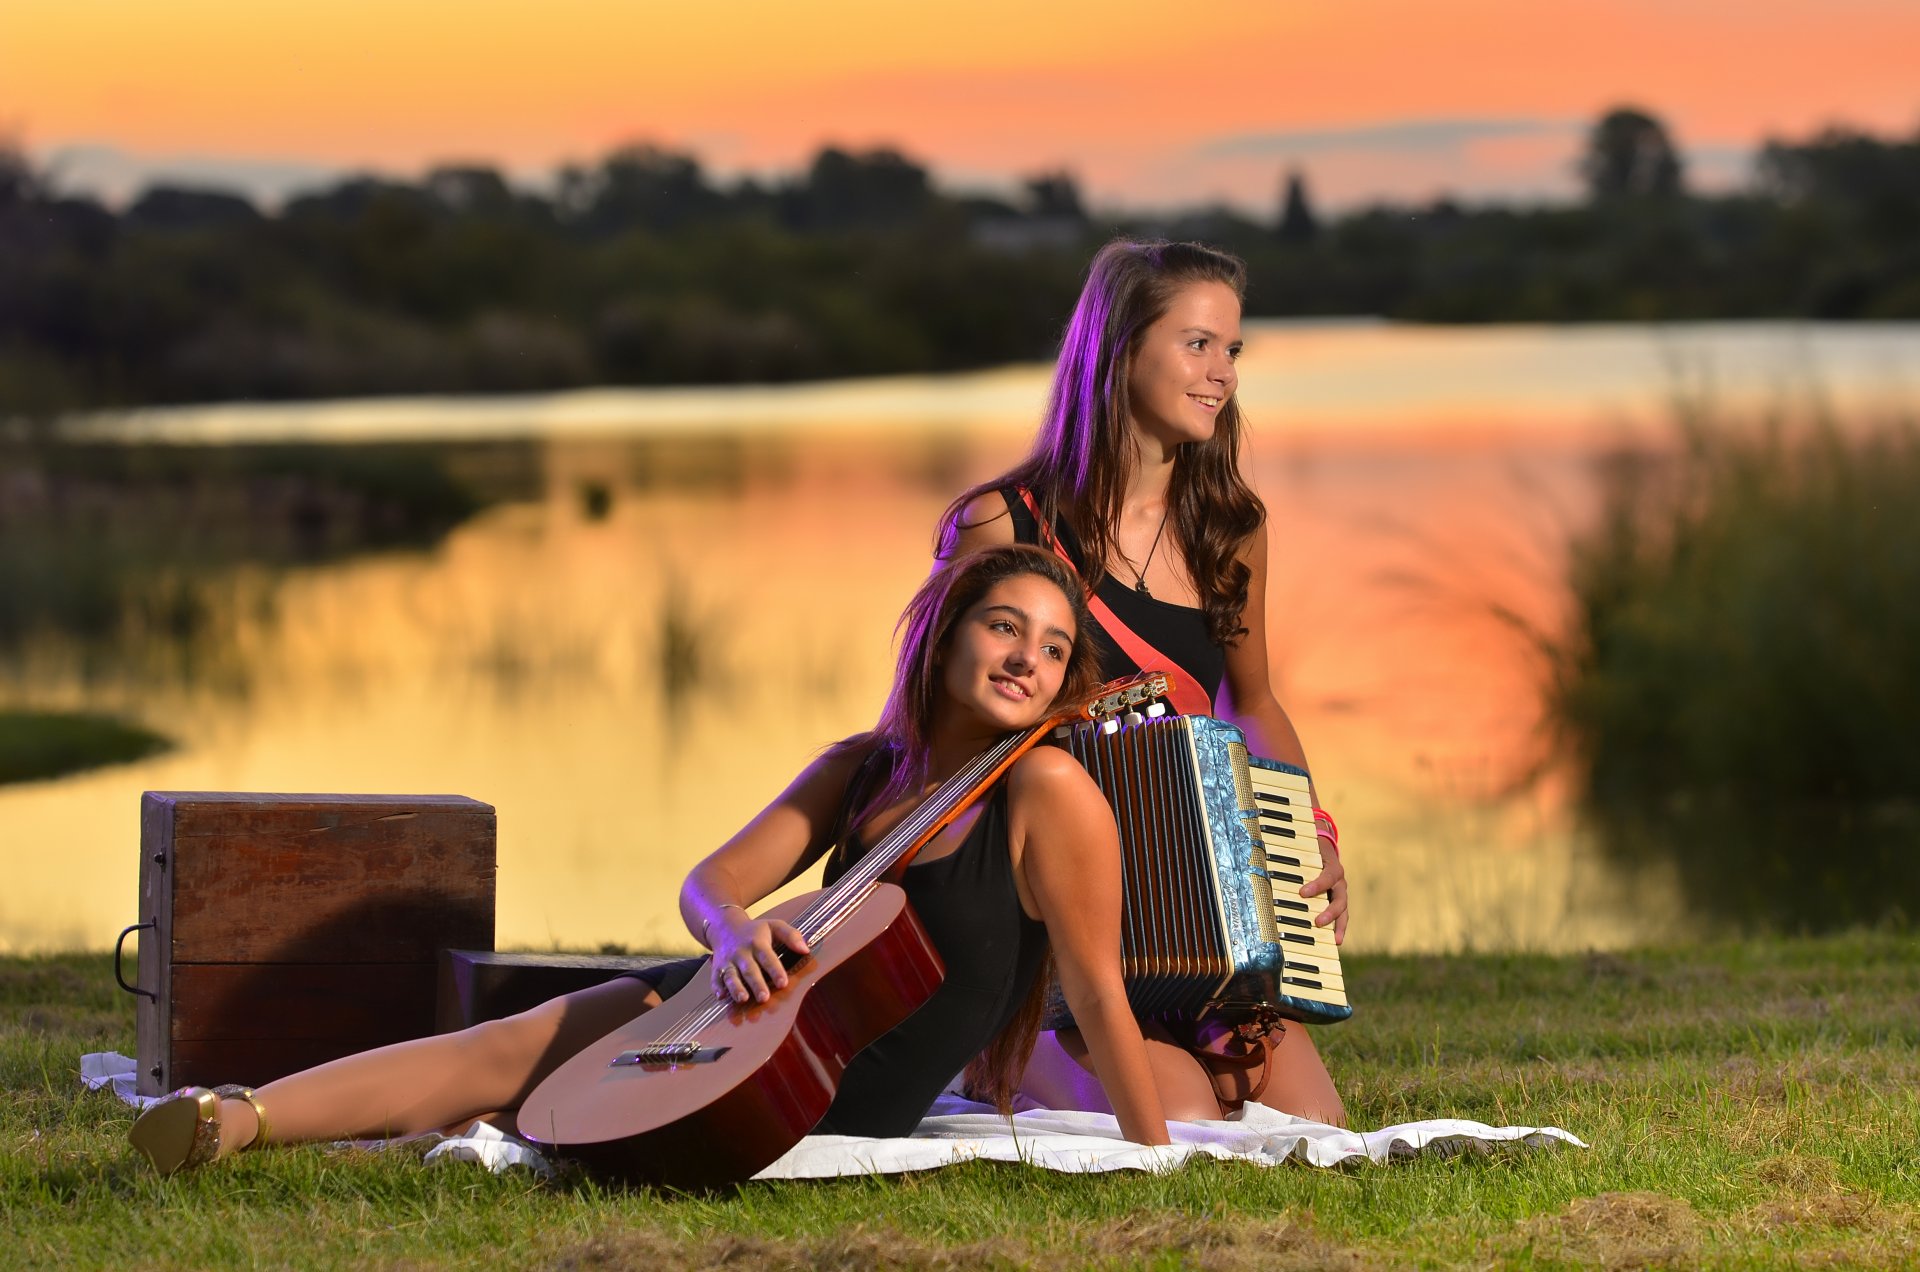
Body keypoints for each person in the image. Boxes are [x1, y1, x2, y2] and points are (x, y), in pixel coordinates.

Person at [128, 544, 1171, 1175]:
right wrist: (733, 936)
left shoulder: (1049, 795)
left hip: (823, 1079)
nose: (1026, 659)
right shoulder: (864, 766)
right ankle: (236, 1119)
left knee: (555, 1098)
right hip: (751, 999)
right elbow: (708, 883)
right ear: (942, 642)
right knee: (516, 1041)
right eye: (1002, 626)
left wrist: (1152, 1162)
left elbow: (1098, 992)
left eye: (1049, 646)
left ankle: (386, 1125)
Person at [938, 239, 1348, 1126]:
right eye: (1198, 344)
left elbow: (1251, 701)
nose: (1222, 375)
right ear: (1119, 347)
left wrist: (1309, 835)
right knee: (1190, 1120)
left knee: (1316, 1130)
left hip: (1192, 926)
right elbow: (936, 736)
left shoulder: (1229, 529)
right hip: (1044, 930)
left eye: (1233, 351)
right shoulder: (1003, 525)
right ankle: (989, 1049)